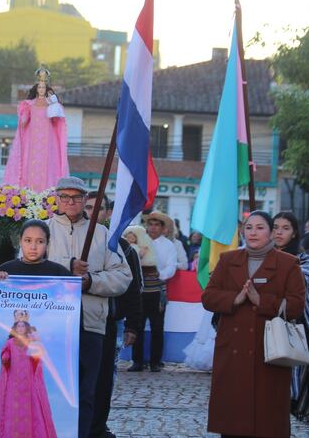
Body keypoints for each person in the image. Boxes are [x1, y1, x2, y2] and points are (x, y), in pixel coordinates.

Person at [201, 210, 306, 438]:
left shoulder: (288, 264)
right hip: (233, 350)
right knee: (232, 420)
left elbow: (297, 306)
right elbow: (208, 298)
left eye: (260, 228)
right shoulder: (228, 260)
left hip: (269, 352)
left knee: (267, 421)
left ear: (271, 233)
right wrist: (234, 299)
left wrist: (263, 301)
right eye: (249, 227)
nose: (253, 232)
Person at [45, 176, 131, 438]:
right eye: (65, 197)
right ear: (56, 200)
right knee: (53, 387)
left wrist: (90, 281)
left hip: (91, 323)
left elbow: (122, 277)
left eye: (77, 197)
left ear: (85, 200)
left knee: (86, 390)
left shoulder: (104, 234)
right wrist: (66, 266)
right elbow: (30, 266)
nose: (71, 202)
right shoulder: (42, 230)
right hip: (51, 324)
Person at [84, 193, 143, 438]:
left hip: (107, 320)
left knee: (103, 376)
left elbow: (133, 288)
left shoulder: (121, 245)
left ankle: (97, 426)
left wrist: (132, 325)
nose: (91, 213)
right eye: (88, 207)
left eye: (98, 208)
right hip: (71, 321)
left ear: (107, 213)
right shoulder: (70, 239)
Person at [272, 211, 309, 425]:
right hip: (264, 326)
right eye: (275, 227)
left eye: (285, 228)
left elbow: (303, 278)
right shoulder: (260, 256)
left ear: (294, 233)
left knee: (287, 388)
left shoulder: (303, 259)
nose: (279, 232)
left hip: (293, 329)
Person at [0, 314, 57, 438]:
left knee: (33, 411)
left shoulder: (31, 342)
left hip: (29, 385)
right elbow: (5, 354)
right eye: (19, 326)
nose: (21, 328)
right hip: (13, 385)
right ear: (15, 328)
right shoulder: (10, 343)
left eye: (23, 326)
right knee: (11, 411)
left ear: (26, 328)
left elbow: (37, 358)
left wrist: (36, 346)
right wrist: (5, 357)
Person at [2, 67, 69, 191]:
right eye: (39, 87)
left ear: (47, 89)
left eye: (44, 87)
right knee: (29, 168)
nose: (41, 89)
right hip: (32, 143)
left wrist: (54, 104)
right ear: (36, 89)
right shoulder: (29, 104)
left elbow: (56, 121)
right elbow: (24, 122)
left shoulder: (52, 105)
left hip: (48, 143)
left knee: (49, 167)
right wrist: (23, 118)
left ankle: (48, 192)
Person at [129, 212, 176, 373]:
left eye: (157, 225)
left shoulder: (168, 245)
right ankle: (137, 361)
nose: (153, 227)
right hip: (141, 290)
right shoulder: (139, 241)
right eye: (151, 224)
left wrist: (159, 274)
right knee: (138, 325)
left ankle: (155, 362)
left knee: (157, 327)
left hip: (157, 290)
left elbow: (171, 266)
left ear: (163, 228)